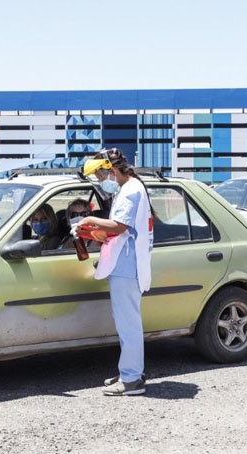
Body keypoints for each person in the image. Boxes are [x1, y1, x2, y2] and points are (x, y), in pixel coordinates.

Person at [79, 147, 154, 396]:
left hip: (127, 266)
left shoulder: (131, 190)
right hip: (126, 263)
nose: (101, 182)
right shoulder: (129, 188)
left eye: (100, 176)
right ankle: (129, 371)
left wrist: (89, 220)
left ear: (110, 170)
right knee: (126, 324)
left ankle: (132, 380)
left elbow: (120, 226)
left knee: (128, 324)